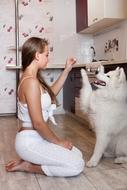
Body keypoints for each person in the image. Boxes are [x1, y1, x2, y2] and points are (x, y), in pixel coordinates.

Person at [5, 37, 85, 177]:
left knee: (77, 154)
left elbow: (51, 95)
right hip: (29, 142)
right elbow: (38, 123)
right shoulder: (30, 82)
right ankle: (28, 166)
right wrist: (59, 143)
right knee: (76, 165)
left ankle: (33, 159)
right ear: (37, 55)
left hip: (38, 138)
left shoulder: (33, 79)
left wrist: (66, 70)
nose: (48, 58)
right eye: (46, 54)